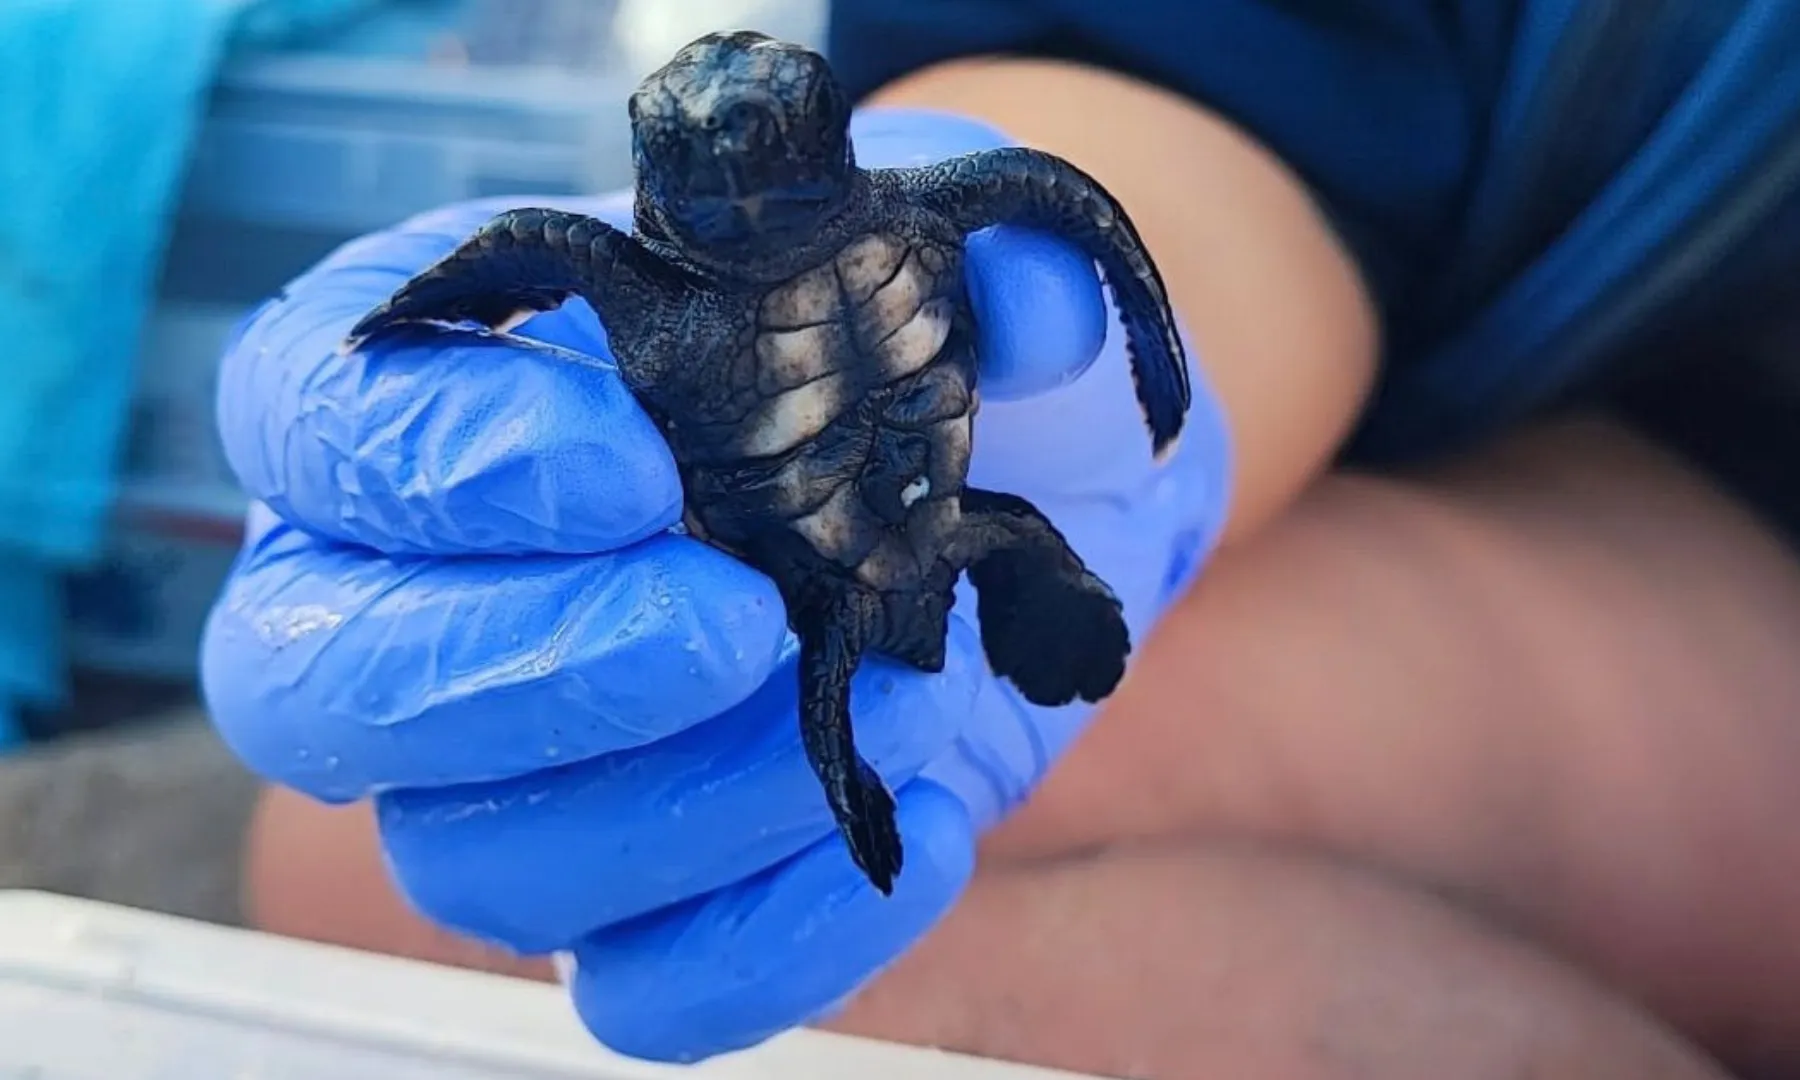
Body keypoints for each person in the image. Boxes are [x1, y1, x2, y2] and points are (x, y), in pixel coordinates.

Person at [201, 2, 1800, 1077]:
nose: (747, 147)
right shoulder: (629, 255)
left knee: (744, 791)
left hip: (1709, 479)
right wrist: (399, 357)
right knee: (425, 836)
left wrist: (1149, 366)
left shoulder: (923, 213)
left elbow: (1057, 207)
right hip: (1639, 458)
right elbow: (1211, 69)